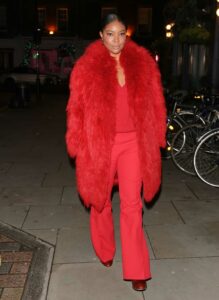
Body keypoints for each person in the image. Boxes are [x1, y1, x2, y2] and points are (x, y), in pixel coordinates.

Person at [66, 13, 166, 292]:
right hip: (101, 142)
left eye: (122, 33)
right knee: (100, 200)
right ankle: (105, 248)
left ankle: (137, 269)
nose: (116, 39)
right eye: (110, 33)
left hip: (134, 143)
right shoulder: (87, 67)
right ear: (101, 35)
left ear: (127, 34)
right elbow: (76, 108)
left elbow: (157, 102)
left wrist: (158, 133)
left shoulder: (143, 63)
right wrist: (75, 141)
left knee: (132, 205)